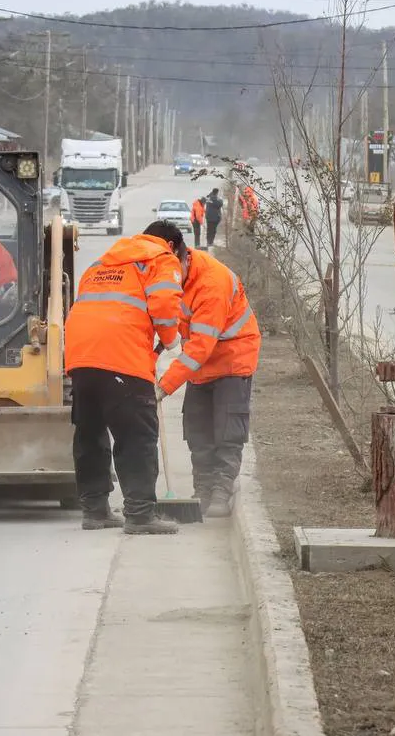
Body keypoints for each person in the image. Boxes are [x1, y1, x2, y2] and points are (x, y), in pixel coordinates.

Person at [64, 220, 187, 535]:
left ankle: (95, 511)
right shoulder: (161, 259)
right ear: (171, 244)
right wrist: (171, 338)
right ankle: (140, 514)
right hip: (122, 357)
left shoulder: (102, 262)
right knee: (137, 436)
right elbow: (162, 304)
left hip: (80, 355)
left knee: (90, 433)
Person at [154, 246, 260, 517]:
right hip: (201, 366)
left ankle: (221, 490)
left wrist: (164, 387)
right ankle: (202, 489)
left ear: (184, 256)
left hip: (232, 360)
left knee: (227, 431)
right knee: (198, 429)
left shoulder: (213, 282)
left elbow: (200, 346)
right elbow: (170, 322)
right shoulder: (173, 278)